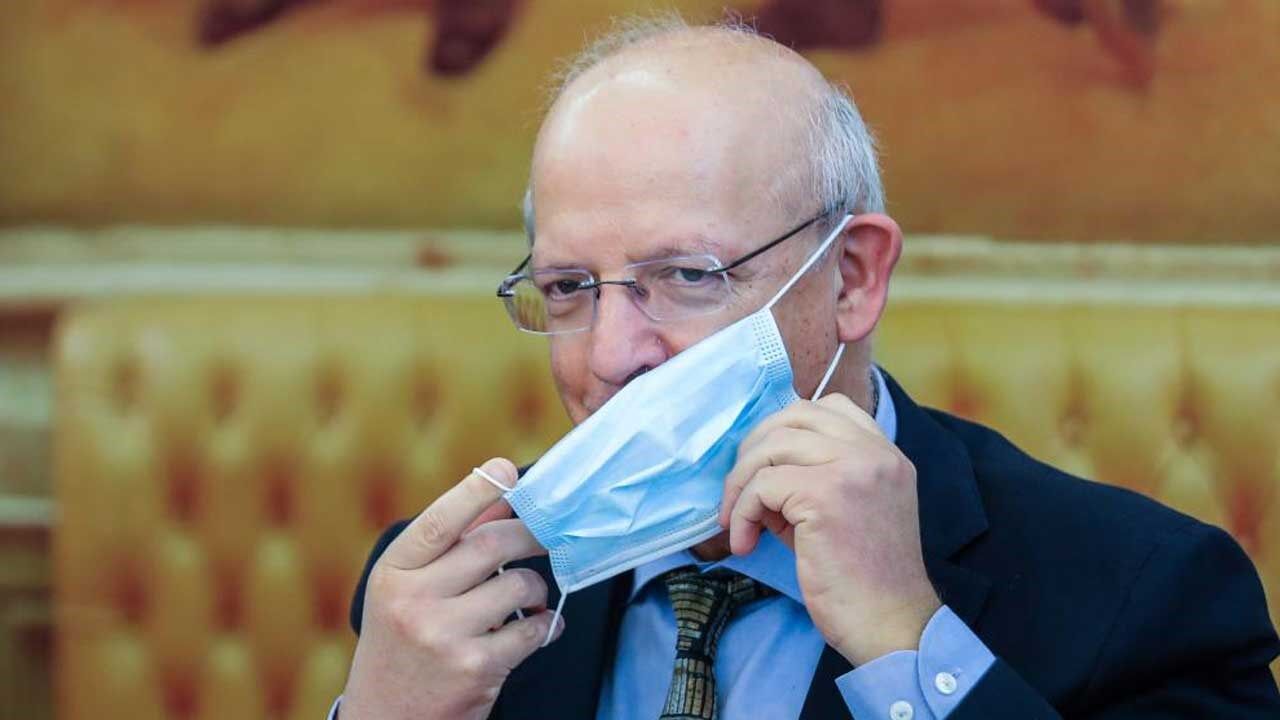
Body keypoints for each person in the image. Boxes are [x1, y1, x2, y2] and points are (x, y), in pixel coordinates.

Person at [332, 16, 1280, 720]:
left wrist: (911, 646)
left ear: (852, 278)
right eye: (570, 288)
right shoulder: (450, 599)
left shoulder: (1144, 593)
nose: (613, 355)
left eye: (688, 277)